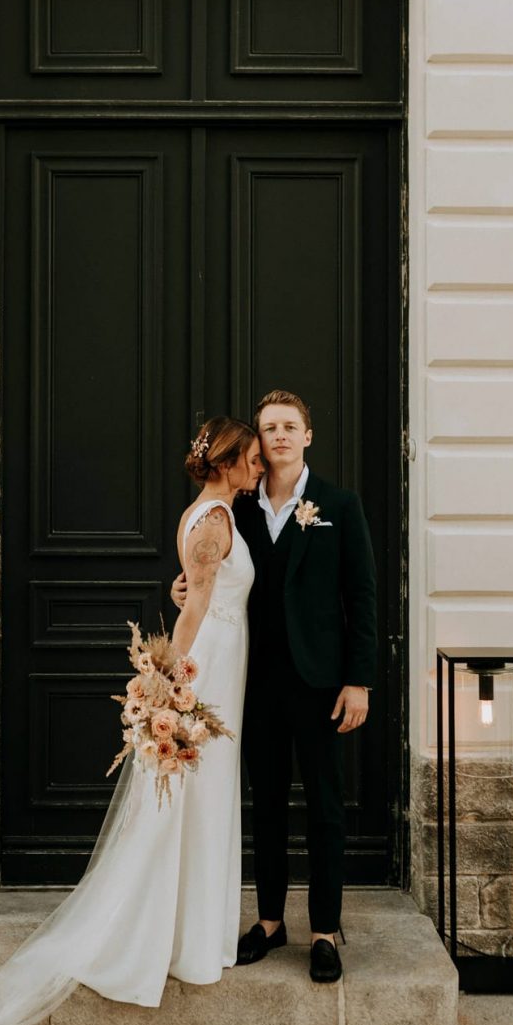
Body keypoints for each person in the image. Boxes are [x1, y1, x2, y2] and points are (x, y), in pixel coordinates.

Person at [0, 417, 263, 1025]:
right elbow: (193, 607)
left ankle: (194, 932)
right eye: (250, 459)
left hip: (221, 657)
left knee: (200, 798)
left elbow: (192, 587)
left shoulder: (206, 514)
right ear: (225, 461)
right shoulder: (215, 521)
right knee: (198, 796)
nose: (258, 467)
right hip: (208, 664)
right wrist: (170, 679)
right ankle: (178, 939)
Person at [172, 389, 377, 984]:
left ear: (307, 435)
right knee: (262, 803)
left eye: (291, 426)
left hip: (319, 683)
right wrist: (180, 590)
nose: (280, 436)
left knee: (324, 805)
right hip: (251, 678)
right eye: (270, 427)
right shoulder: (235, 508)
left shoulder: (339, 503)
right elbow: (211, 572)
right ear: (256, 440)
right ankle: (268, 921)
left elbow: (361, 597)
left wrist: (358, 680)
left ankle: (323, 929)